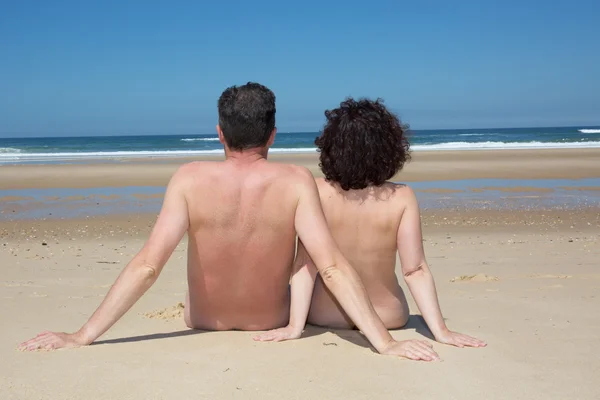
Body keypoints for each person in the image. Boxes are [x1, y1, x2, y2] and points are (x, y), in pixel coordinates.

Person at [20, 83, 439, 361]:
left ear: (219, 133)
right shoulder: (294, 181)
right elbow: (328, 264)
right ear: (273, 135)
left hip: (200, 321)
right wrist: (384, 343)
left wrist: (81, 335)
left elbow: (148, 265)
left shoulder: (188, 178)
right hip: (267, 321)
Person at [254, 98, 486, 352]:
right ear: (388, 147)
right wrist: (441, 331)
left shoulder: (317, 192)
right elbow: (414, 270)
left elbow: (305, 265)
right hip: (389, 317)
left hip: (325, 315)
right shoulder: (402, 197)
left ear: (331, 145)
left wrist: (294, 326)